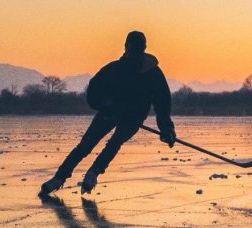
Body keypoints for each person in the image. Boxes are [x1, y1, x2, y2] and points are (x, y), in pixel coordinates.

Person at [40, 31, 176, 195]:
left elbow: (162, 101)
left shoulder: (152, 73)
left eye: (136, 49)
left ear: (141, 49)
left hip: (133, 118)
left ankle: (93, 172)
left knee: (114, 143)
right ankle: (60, 177)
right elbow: (94, 89)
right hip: (110, 113)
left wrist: (166, 128)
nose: (133, 53)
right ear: (126, 47)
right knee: (85, 146)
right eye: (132, 49)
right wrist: (105, 105)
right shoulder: (115, 68)